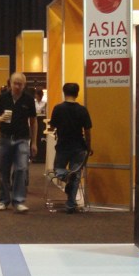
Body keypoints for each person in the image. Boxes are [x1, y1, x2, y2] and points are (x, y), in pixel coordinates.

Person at [0, 72, 37, 212]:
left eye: (20, 84)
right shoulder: (2, 98)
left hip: (22, 139)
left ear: (24, 85)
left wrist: (34, 142)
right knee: (3, 170)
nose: (17, 86)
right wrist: (1, 118)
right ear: (10, 83)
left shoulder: (29, 99)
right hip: (5, 139)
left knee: (21, 168)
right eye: (15, 83)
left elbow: (33, 122)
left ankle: (19, 201)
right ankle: (4, 200)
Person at [48, 82, 92, 213]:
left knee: (58, 171)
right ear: (77, 94)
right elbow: (88, 131)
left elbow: (52, 126)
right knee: (76, 174)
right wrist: (89, 146)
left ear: (64, 92)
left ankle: (67, 177)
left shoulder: (58, 108)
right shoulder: (82, 110)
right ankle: (70, 204)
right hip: (79, 146)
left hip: (63, 146)